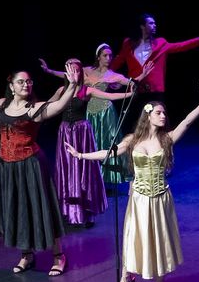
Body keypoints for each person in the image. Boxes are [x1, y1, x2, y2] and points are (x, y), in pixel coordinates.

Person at [66, 82, 199, 282]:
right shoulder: (132, 140)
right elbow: (109, 153)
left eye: (164, 113)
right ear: (148, 116)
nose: (163, 116)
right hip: (140, 198)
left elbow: (187, 122)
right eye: (159, 113)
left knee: (158, 241)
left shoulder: (167, 139)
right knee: (135, 238)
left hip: (160, 198)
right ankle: (126, 275)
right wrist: (81, 155)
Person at [0, 64, 81, 276]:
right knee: (19, 210)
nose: (26, 85)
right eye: (21, 82)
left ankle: (58, 256)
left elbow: (57, 107)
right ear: (11, 86)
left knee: (42, 209)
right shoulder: (2, 104)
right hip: (8, 168)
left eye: (29, 81)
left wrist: (72, 85)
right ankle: (26, 254)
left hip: (31, 165)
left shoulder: (33, 108)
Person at [40, 45, 149, 188]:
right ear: (98, 57)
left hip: (105, 113)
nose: (108, 58)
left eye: (110, 55)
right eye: (105, 55)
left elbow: (129, 83)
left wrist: (141, 77)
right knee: (90, 146)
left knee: (106, 144)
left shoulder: (113, 76)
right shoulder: (86, 70)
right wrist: (49, 71)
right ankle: (83, 180)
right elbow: (67, 74)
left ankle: (106, 177)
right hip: (89, 112)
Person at [43, 58, 135, 225]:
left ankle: (86, 210)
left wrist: (129, 94)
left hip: (82, 134)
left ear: (81, 73)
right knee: (67, 169)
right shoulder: (61, 90)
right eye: (71, 70)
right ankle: (69, 210)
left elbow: (110, 96)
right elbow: (46, 106)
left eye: (77, 70)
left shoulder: (87, 90)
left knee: (83, 170)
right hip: (65, 134)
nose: (74, 73)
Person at [110, 14, 199, 105]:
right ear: (142, 26)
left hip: (155, 91)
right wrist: (110, 77)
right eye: (151, 23)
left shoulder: (160, 43)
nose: (155, 25)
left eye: (155, 23)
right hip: (134, 90)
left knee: (156, 117)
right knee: (135, 118)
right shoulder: (128, 44)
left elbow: (181, 46)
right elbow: (117, 62)